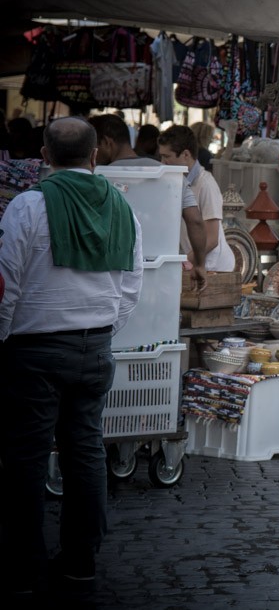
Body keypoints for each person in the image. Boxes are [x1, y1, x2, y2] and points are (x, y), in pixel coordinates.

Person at [0, 117, 143, 600]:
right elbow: (131, 287)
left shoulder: (27, 206)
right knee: (85, 453)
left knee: (25, 457)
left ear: (44, 156)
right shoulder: (123, 207)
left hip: (35, 349)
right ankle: (81, 560)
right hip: (94, 346)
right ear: (95, 156)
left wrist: (4, 337)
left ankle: (22, 567)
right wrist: (100, 329)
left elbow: (7, 285)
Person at [90, 114, 207, 290]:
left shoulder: (98, 179)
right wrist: (199, 264)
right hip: (160, 276)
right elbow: (196, 221)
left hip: (112, 276)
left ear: (107, 143)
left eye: (95, 148)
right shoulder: (170, 176)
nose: (93, 155)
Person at [158, 125, 235, 273]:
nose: (162, 163)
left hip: (215, 268)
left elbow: (212, 239)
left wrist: (185, 262)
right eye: (161, 156)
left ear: (186, 155)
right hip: (196, 264)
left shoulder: (206, 184)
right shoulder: (175, 182)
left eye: (167, 157)